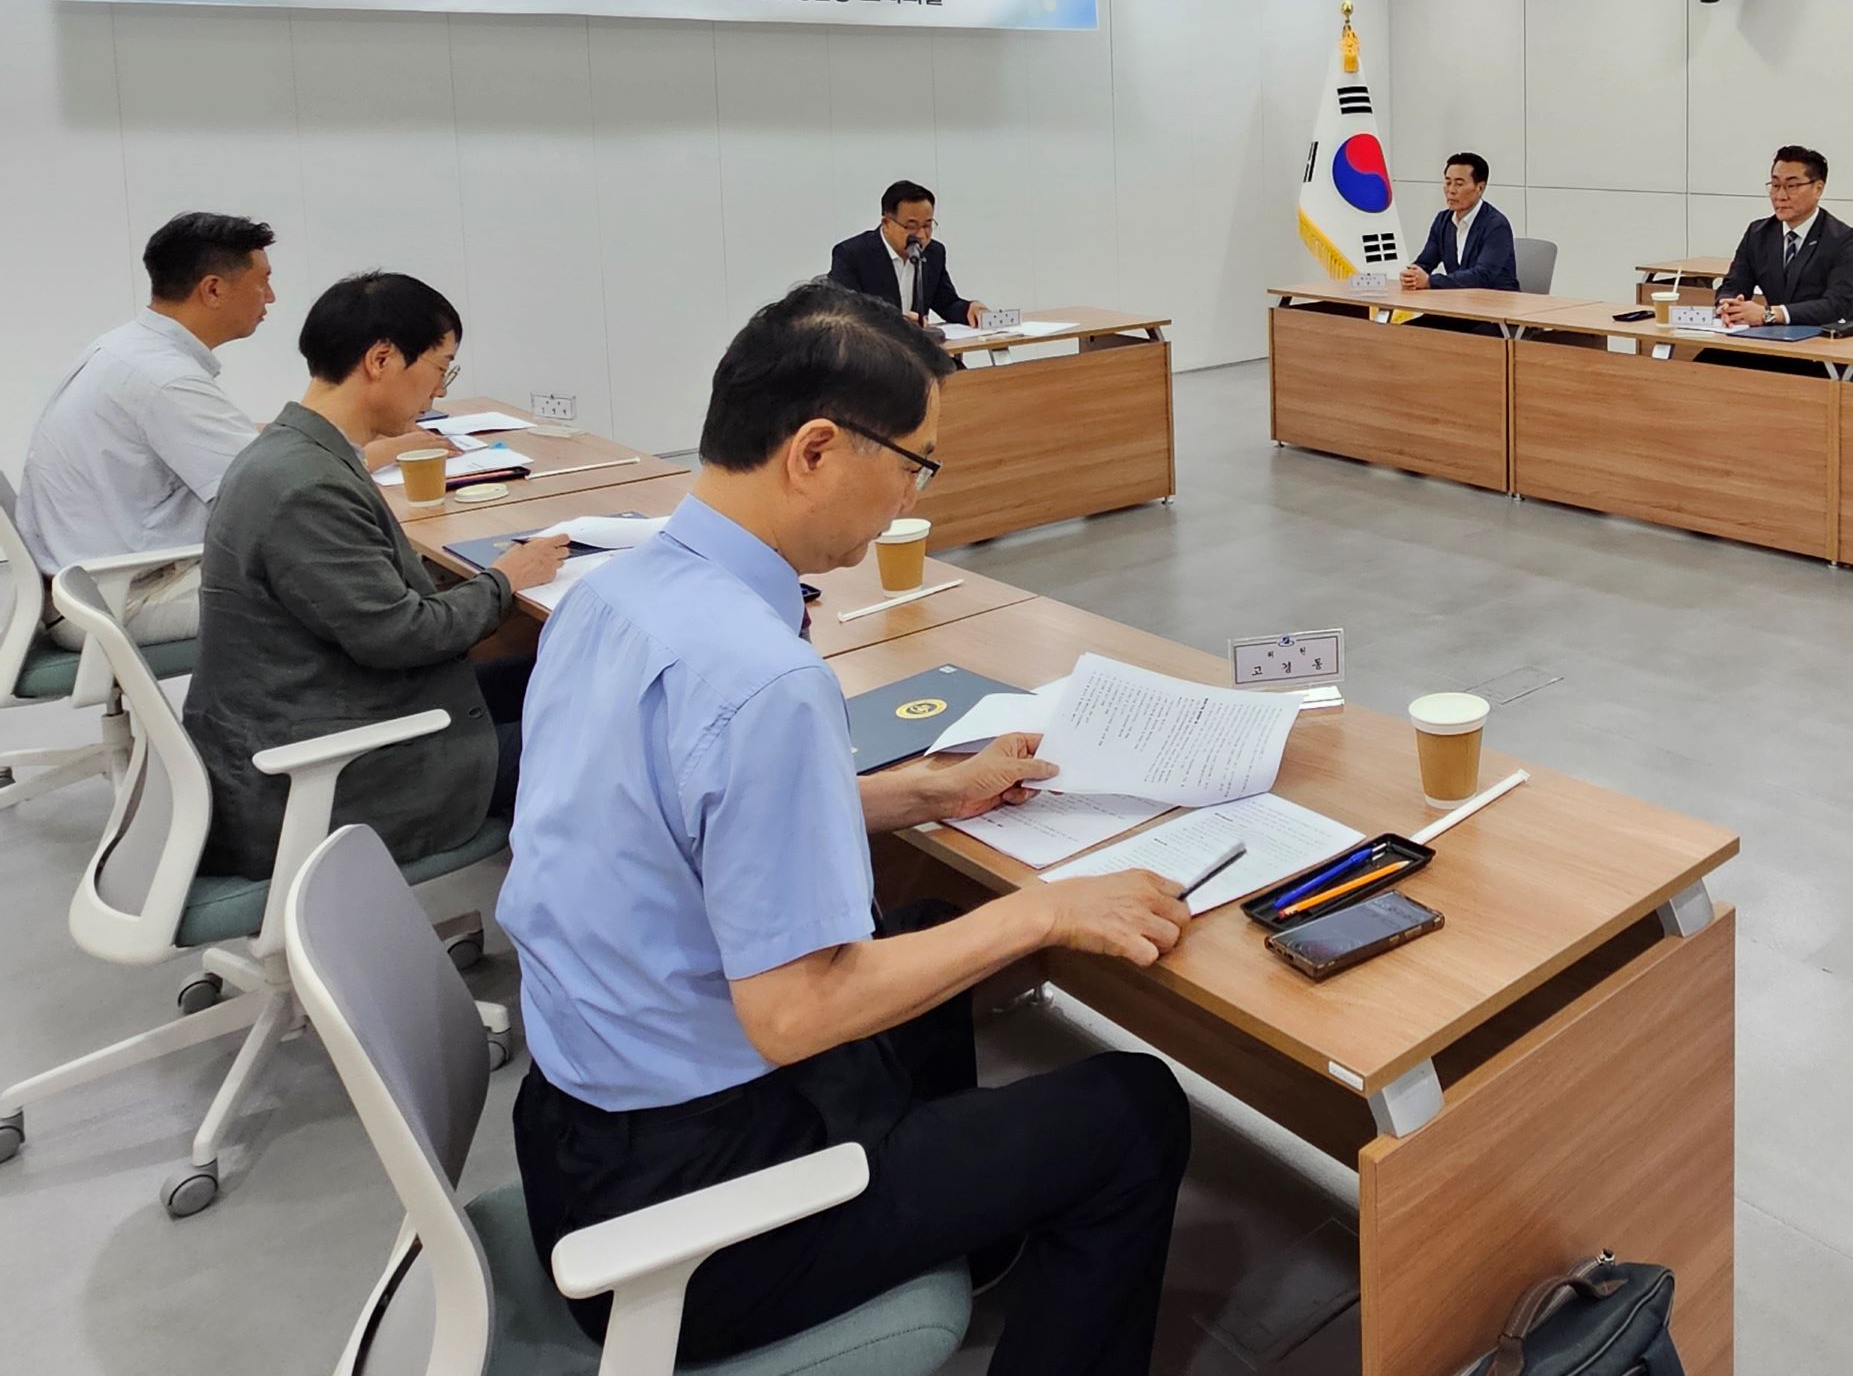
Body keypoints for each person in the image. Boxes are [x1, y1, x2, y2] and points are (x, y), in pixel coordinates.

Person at [501, 283, 1191, 1376]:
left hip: (578, 1131)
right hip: (693, 1214)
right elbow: (793, 1014)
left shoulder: (609, 596)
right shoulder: (762, 677)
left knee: (922, 925)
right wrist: (1042, 912)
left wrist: (923, 794)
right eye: (914, 464)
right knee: (1132, 1111)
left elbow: (669, 819)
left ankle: (964, 1232)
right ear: (816, 451)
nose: (914, 497)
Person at [183, 273, 568, 876]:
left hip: (316, 713)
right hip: (330, 775)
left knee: (555, 672)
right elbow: (404, 636)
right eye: (440, 368)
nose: (438, 391)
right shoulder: (305, 486)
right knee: (599, 736)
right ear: (381, 359)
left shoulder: (291, 453)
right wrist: (505, 578)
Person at [18, 212, 273, 648]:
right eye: (262, 282)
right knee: (336, 589)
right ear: (213, 289)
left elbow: (253, 456)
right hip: (117, 600)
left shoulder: (128, 349)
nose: (271, 297)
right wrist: (372, 459)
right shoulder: (163, 377)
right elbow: (272, 490)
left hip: (86, 583)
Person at [1714, 146, 1853, 330]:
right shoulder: (1758, 233)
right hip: (1775, 335)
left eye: (1792, 186)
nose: (1780, 196)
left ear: (1818, 189)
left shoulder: (1845, 240)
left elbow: (1838, 305)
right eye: (1775, 185)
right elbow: (1734, 283)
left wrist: (1770, 314)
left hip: (1826, 336)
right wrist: (1728, 305)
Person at [829, 181, 990, 330]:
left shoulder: (934, 253)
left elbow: (946, 303)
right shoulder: (851, 254)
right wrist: (897, 322)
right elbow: (845, 314)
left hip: (917, 348)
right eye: (911, 226)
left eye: (927, 225)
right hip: (871, 347)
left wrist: (969, 309)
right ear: (886, 224)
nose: (921, 235)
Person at [1401, 152, 1518, 292]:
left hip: (1496, 300)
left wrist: (1430, 281)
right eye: (1448, 182)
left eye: (1459, 184)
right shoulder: (1443, 220)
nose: (1451, 190)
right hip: (1458, 300)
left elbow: (1482, 276)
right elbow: (1425, 262)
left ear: (1479, 188)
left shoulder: (1496, 225)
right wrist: (1412, 275)